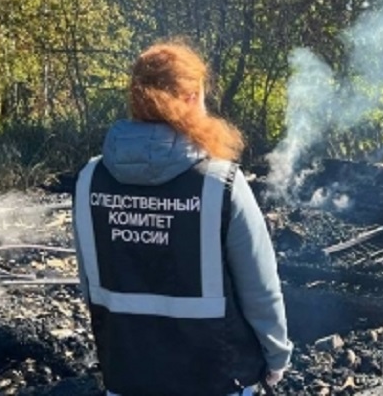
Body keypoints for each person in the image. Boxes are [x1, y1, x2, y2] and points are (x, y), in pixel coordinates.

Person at [71, 38, 292, 395]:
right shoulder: (221, 183)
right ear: (190, 98)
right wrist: (277, 357)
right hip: (218, 378)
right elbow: (260, 289)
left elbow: (90, 283)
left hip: (126, 374)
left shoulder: (89, 179)